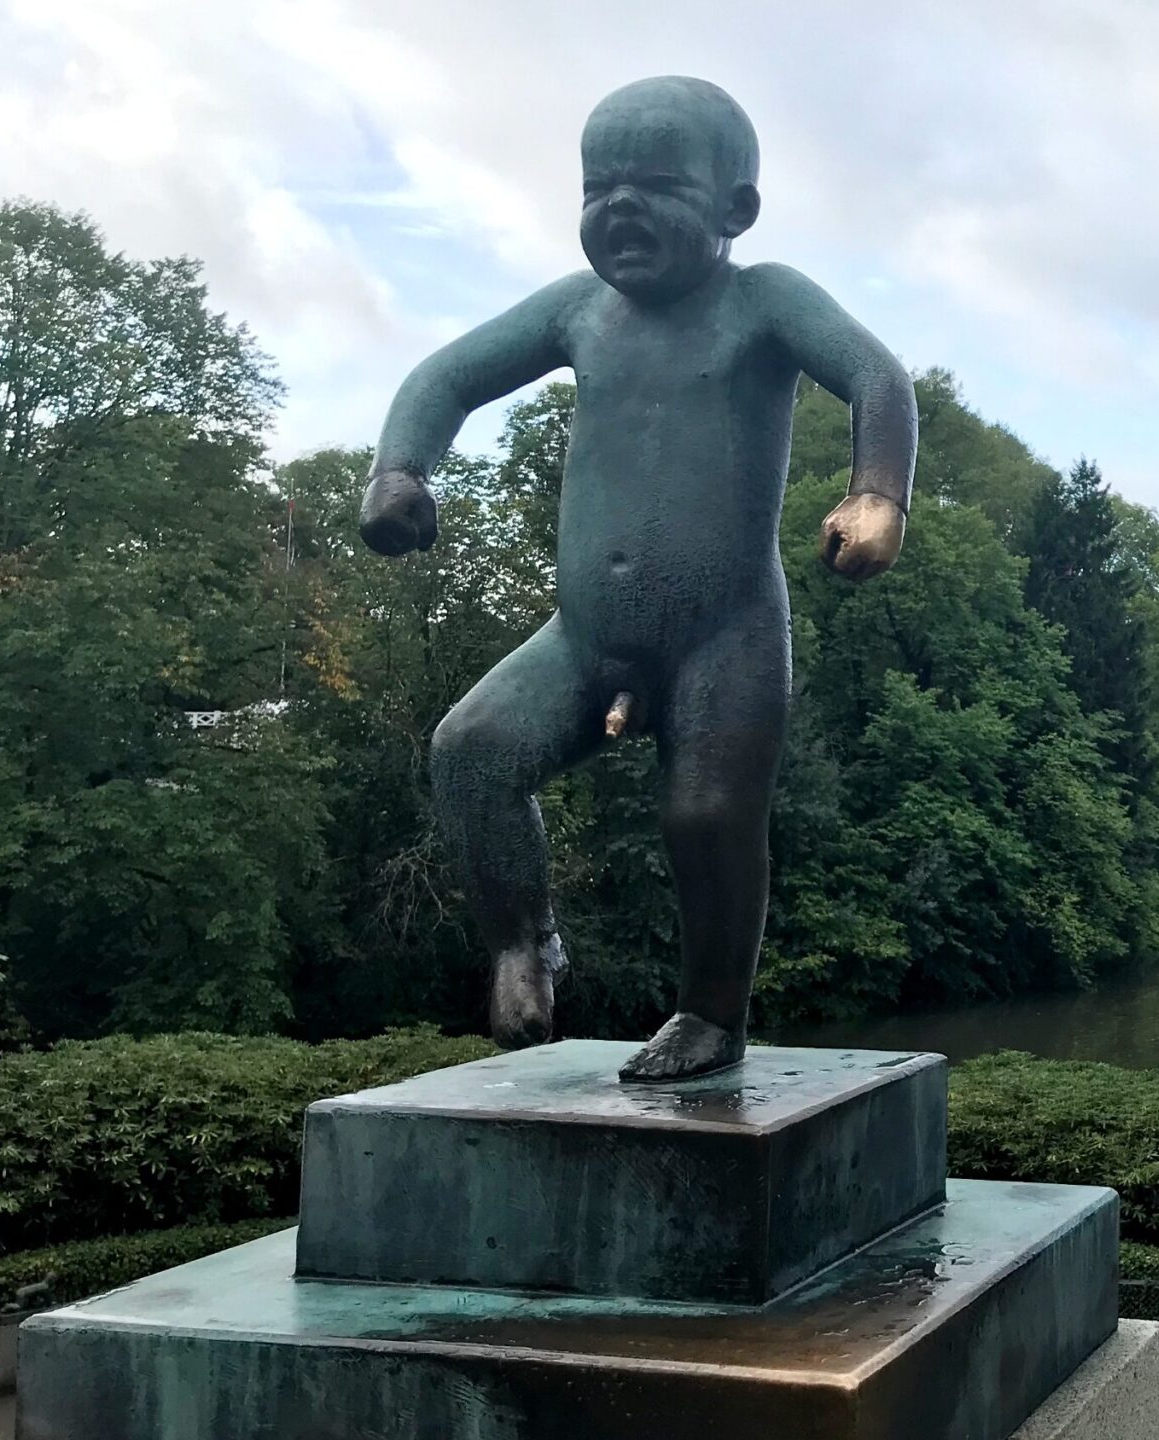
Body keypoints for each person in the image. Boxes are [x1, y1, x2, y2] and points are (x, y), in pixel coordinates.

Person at [357, 76, 916, 1082]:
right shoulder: (580, 311)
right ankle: (525, 942)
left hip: (725, 631)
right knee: (471, 752)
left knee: (706, 816)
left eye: (656, 185)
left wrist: (877, 494)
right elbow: (443, 378)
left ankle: (712, 1011)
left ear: (734, 209)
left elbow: (876, 377)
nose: (619, 208)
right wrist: (401, 468)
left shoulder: (762, 301)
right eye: (597, 187)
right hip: (584, 638)